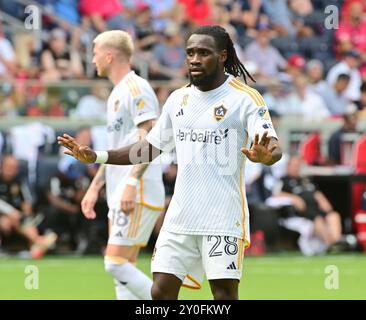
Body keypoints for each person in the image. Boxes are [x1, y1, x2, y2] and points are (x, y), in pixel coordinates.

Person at [58, 25, 282, 300]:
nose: (195, 59)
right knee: (160, 292)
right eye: (190, 53)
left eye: (204, 53)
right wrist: (97, 156)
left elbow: (273, 147)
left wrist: (266, 156)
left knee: (223, 295)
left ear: (223, 56)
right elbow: (148, 148)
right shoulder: (179, 99)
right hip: (180, 216)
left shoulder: (244, 98)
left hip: (222, 217)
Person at [76, 30, 165, 300]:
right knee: (125, 267)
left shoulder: (136, 88)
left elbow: (148, 140)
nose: (92, 60)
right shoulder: (116, 93)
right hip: (120, 191)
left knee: (114, 263)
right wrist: (95, 186)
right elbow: (117, 149)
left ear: (109, 55)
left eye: (95, 53)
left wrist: (131, 183)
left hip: (136, 190)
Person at [0, 155, 57, 258]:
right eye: (8, 167)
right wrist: (9, 213)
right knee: (11, 218)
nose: (10, 170)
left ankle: (36, 245)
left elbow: (26, 202)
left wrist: (26, 214)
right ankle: (41, 241)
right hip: (5, 216)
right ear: (2, 166)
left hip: (16, 218)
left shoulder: (19, 182)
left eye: (13, 168)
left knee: (25, 221)